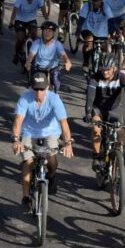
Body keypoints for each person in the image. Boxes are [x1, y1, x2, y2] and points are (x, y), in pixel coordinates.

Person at [11, 71, 75, 209]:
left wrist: (68, 143)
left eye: (41, 89)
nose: (38, 92)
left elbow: (64, 123)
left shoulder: (55, 99)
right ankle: (26, 196)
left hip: (50, 133)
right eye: (35, 88)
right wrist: (16, 140)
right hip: (29, 133)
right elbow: (18, 121)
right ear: (31, 88)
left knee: (52, 158)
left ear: (47, 88)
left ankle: (51, 177)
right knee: (28, 162)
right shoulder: (24, 98)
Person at [83, 54, 125, 173]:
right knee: (97, 129)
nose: (105, 72)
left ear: (114, 68)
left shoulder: (122, 78)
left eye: (107, 69)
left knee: (122, 132)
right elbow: (90, 99)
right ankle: (97, 156)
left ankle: (119, 157)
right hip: (98, 108)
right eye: (102, 69)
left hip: (114, 109)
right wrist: (88, 113)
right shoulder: (95, 78)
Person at [25, 21, 72, 91]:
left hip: (53, 69)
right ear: (42, 32)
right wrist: (28, 62)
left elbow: (64, 55)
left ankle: (55, 97)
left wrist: (68, 62)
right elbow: (31, 55)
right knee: (35, 87)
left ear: (53, 33)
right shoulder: (37, 43)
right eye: (45, 30)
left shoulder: (57, 44)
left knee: (56, 83)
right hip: (39, 69)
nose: (47, 33)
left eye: (50, 31)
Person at [10, 0, 48, 66]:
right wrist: (11, 21)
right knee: (20, 39)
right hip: (20, 20)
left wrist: (47, 20)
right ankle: (16, 54)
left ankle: (32, 52)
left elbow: (43, 10)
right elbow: (15, 10)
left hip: (31, 20)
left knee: (34, 35)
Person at [77, 0, 114, 69]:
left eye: (98, 0)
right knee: (89, 41)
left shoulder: (105, 7)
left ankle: (102, 65)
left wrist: (116, 32)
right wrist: (78, 33)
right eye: (94, 0)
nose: (96, 2)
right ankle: (86, 62)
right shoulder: (87, 6)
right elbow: (81, 20)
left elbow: (111, 20)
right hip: (87, 28)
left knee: (105, 49)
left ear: (102, 0)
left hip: (101, 32)